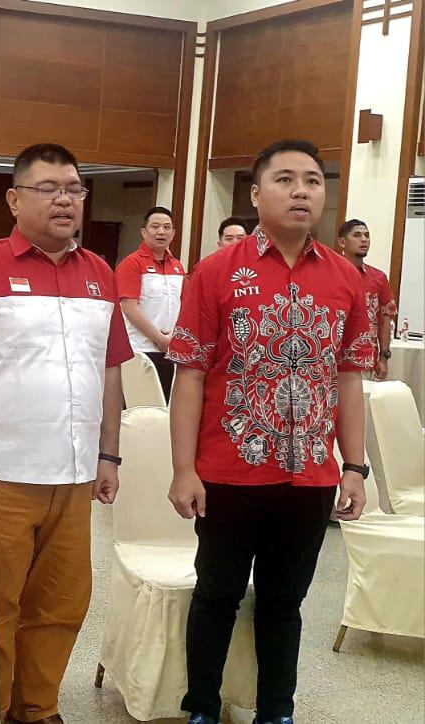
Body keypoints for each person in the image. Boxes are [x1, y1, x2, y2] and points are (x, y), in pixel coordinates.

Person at [167, 139, 374, 724]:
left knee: (286, 603)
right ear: (256, 195)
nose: (301, 190)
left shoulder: (345, 279)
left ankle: (277, 711)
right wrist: (183, 469)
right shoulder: (216, 272)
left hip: (310, 475)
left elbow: (349, 378)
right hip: (228, 470)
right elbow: (190, 375)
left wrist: (354, 466)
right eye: (285, 179)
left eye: (312, 180)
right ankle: (202, 708)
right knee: (217, 596)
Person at [0, 143, 131, 724]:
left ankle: (37, 708)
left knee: (62, 603)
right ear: (14, 200)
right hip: (0, 474)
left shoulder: (100, 274)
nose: (64, 199)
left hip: (75, 475)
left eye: (74, 189)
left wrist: (109, 455)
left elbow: (110, 371)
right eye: (48, 188)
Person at [116, 206, 185, 399]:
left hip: (171, 350)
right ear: (144, 232)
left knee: (166, 408)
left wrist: (172, 337)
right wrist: (159, 339)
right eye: (155, 227)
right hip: (140, 350)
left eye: (166, 227)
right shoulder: (131, 264)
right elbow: (129, 308)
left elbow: (185, 306)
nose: (161, 232)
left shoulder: (178, 267)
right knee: (142, 407)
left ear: (173, 234)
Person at [336, 218, 397, 380]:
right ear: (342, 242)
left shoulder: (378, 278)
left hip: (365, 359)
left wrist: (384, 357)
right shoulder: (330, 274)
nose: (364, 239)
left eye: (367, 235)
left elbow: (385, 319)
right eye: (357, 235)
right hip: (331, 358)